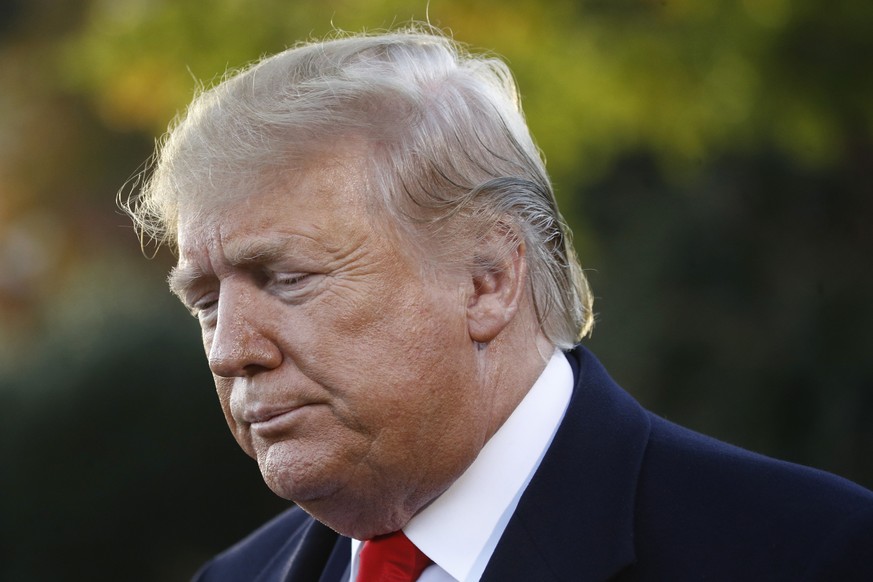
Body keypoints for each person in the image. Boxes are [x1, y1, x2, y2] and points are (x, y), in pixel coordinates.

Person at [124, 26, 873, 582]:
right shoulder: (233, 578)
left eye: (286, 278)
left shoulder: (810, 552)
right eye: (206, 301)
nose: (230, 351)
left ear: (488, 279)